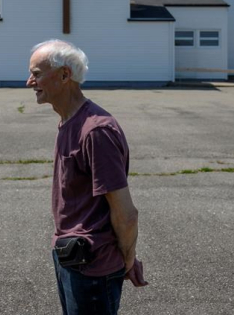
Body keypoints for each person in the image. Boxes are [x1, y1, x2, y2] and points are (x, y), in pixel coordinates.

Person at [26, 39, 148, 315]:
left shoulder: (95, 131)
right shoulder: (68, 121)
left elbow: (126, 213)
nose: (29, 83)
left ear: (64, 75)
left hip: (92, 268)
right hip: (70, 255)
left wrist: (127, 260)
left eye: (36, 74)